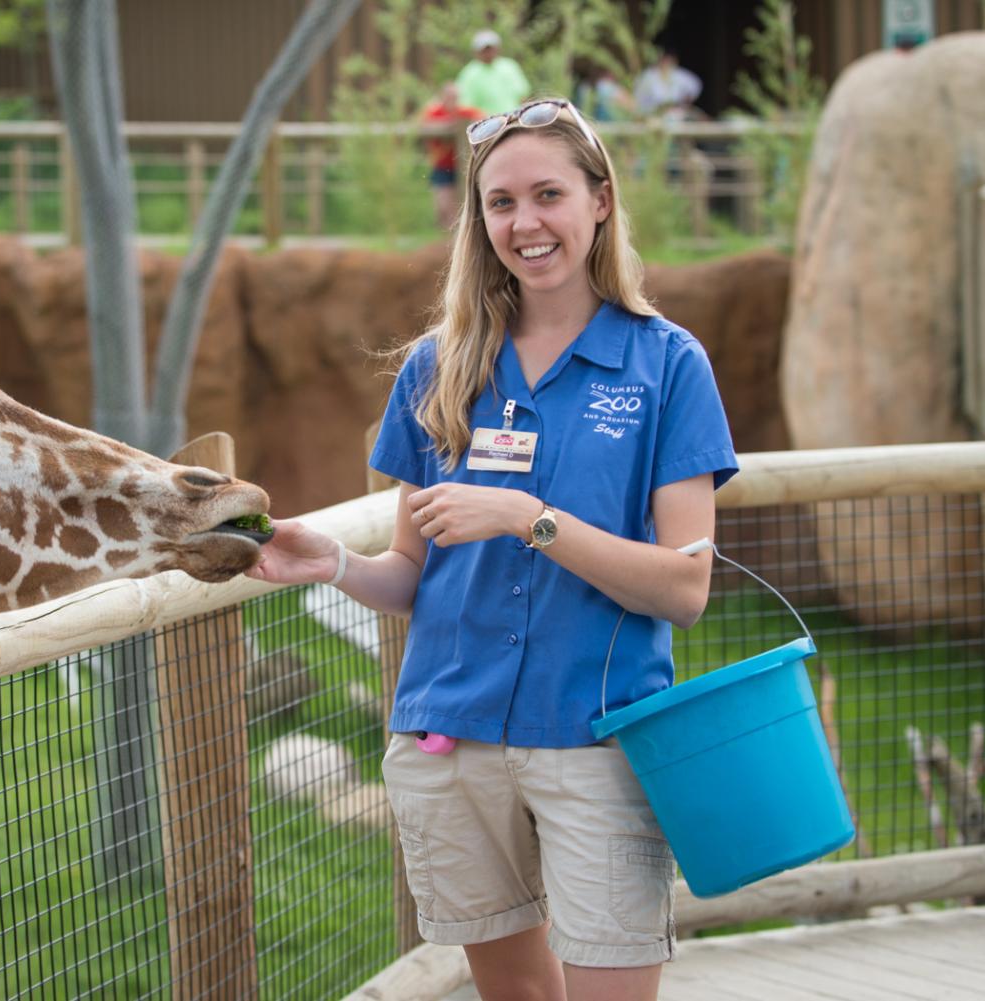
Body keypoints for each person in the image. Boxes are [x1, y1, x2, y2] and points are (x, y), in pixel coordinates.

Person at [247, 98, 737, 1001]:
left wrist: (526, 517)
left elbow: (685, 586)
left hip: (600, 739)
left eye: (548, 193)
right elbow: (410, 575)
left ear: (599, 201)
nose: (525, 222)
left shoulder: (668, 366)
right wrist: (336, 565)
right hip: (452, 739)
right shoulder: (437, 368)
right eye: (500, 203)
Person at [420, 82, 484, 229]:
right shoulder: (435, 113)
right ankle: (445, 240)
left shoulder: (463, 112)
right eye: (449, 96)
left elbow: (482, 117)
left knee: (458, 208)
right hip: (441, 166)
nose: (452, 100)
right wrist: (448, 125)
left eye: (455, 97)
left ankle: (456, 239)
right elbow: (424, 125)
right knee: (442, 207)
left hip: (460, 167)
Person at [456, 28, 532, 116]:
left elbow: (523, 95)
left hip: (514, 118)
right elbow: (464, 106)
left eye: (490, 49)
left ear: (498, 49)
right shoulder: (469, 74)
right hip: (485, 124)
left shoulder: (510, 66)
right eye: (485, 50)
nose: (488, 53)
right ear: (476, 51)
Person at [633, 49, 703, 118]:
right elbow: (638, 97)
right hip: (651, 113)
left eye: (670, 61)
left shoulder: (679, 74)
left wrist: (684, 104)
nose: (666, 64)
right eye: (665, 60)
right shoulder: (648, 75)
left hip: (676, 112)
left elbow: (694, 86)